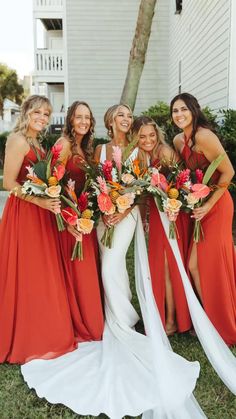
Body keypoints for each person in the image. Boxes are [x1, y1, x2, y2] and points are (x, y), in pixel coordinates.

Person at [21, 104, 204, 419]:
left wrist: (123, 207)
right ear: (109, 121)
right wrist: (102, 206)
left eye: (129, 115)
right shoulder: (100, 149)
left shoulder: (138, 148)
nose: (126, 119)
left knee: (110, 266)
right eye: (120, 115)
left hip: (127, 215)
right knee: (109, 266)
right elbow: (94, 183)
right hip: (104, 216)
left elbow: (144, 188)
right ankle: (114, 314)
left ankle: (123, 319)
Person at [0, 95, 76, 364]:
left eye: (47, 114)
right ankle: (25, 334)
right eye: (38, 112)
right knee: (27, 271)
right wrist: (40, 201)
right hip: (24, 213)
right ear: (27, 112)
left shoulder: (36, 141)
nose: (43, 118)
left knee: (41, 271)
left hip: (40, 213)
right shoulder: (17, 140)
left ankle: (42, 326)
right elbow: (9, 182)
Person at [170, 92, 236, 346]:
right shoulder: (178, 140)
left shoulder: (204, 136)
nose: (179, 115)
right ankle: (209, 317)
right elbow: (183, 174)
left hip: (217, 205)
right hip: (198, 205)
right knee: (195, 265)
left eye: (183, 109)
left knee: (211, 265)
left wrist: (208, 205)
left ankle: (221, 324)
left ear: (194, 110)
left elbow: (228, 171)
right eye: (175, 111)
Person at [132, 116, 192, 335]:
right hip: (157, 216)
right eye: (142, 136)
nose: (148, 140)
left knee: (169, 267)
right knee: (160, 266)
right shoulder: (140, 157)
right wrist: (146, 218)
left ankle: (172, 321)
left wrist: (172, 204)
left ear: (157, 134)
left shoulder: (164, 152)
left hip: (172, 215)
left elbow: (184, 185)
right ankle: (165, 316)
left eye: (151, 135)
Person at [53, 100, 104, 342]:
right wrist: (69, 218)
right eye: (79, 116)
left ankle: (91, 320)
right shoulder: (64, 145)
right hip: (70, 221)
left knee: (87, 270)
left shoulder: (85, 147)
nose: (84, 121)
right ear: (70, 120)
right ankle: (79, 322)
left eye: (87, 117)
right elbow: (52, 186)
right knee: (77, 271)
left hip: (85, 218)